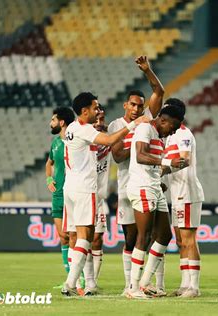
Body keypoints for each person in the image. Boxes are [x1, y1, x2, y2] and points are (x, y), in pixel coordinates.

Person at [61, 92, 148, 296]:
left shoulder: (72, 128)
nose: (97, 110)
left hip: (70, 188)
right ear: (84, 111)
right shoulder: (83, 129)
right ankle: (71, 284)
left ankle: (77, 283)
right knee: (85, 237)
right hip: (84, 189)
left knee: (79, 236)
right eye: (95, 107)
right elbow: (109, 140)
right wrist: (133, 125)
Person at [108, 55, 165, 294]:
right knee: (131, 237)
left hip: (149, 184)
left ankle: (150, 283)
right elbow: (118, 156)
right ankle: (129, 284)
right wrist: (134, 137)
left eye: (140, 105)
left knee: (154, 235)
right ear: (125, 105)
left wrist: (148, 71)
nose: (136, 109)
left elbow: (159, 91)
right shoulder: (116, 126)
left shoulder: (148, 120)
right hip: (127, 186)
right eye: (132, 104)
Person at [126, 105, 188, 299]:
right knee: (143, 236)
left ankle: (144, 283)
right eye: (174, 126)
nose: (175, 130)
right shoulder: (145, 128)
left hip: (153, 187)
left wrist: (158, 180)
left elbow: (151, 163)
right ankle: (133, 287)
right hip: (142, 187)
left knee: (164, 235)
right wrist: (168, 162)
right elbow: (141, 155)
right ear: (163, 120)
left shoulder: (159, 135)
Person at [163, 98, 205, 298]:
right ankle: (184, 284)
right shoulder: (170, 136)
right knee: (180, 240)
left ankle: (194, 287)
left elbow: (185, 160)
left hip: (188, 192)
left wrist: (163, 168)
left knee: (189, 240)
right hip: (176, 193)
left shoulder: (184, 134)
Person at [45, 106, 75, 286]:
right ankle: (69, 278)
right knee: (63, 237)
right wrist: (49, 178)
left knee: (73, 236)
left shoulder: (74, 141)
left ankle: (78, 278)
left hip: (73, 193)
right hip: (58, 195)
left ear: (62, 122)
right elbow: (49, 163)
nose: (51, 123)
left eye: (53, 120)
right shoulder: (55, 143)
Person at [92, 105, 110, 285]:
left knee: (97, 239)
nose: (99, 122)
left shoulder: (108, 138)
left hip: (99, 198)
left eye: (102, 119)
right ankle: (79, 279)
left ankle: (92, 282)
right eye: (96, 118)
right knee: (78, 237)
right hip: (82, 194)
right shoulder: (82, 135)